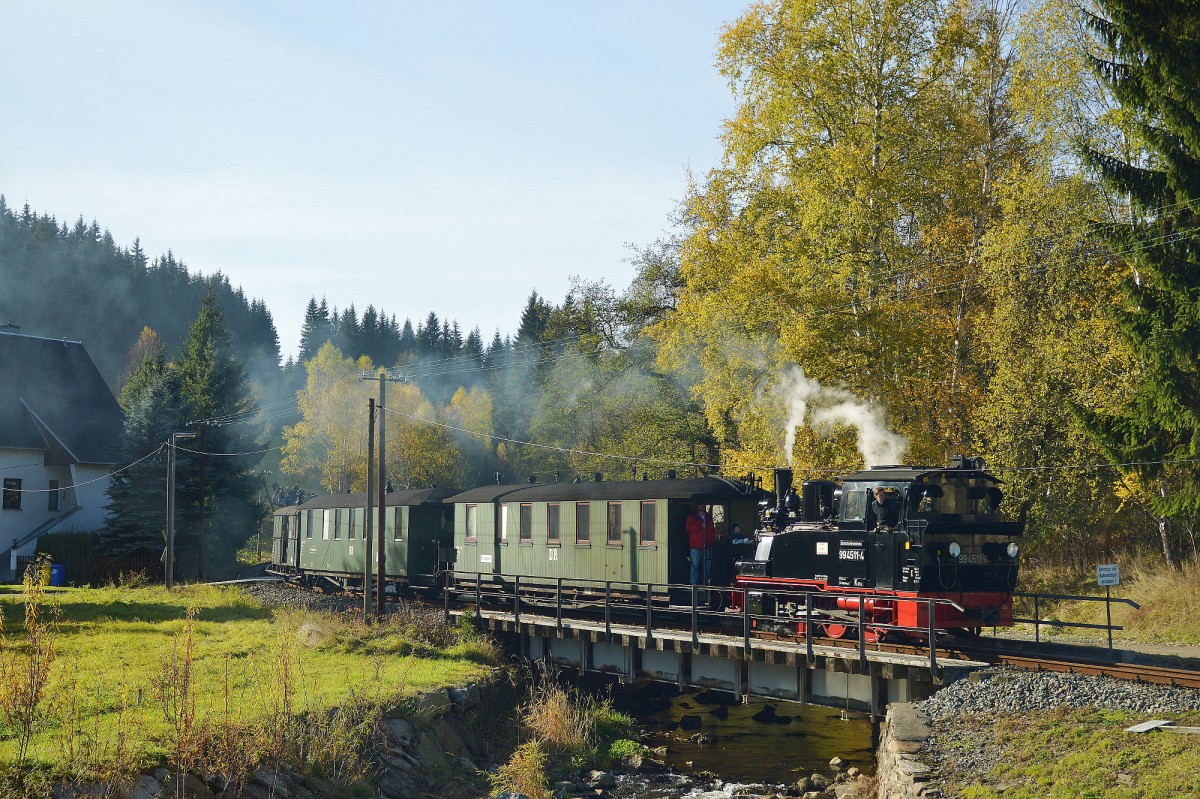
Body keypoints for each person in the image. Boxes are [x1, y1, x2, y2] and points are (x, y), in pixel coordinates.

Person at [686, 501, 717, 584]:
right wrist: (700, 526)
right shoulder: (692, 517)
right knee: (695, 566)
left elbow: (712, 530)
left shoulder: (708, 517)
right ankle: (694, 584)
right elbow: (689, 528)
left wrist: (712, 540)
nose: (702, 506)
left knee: (707, 566)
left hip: (708, 545)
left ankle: (706, 583)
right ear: (697, 506)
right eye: (700, 504)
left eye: (703, 504)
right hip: (696, 546)